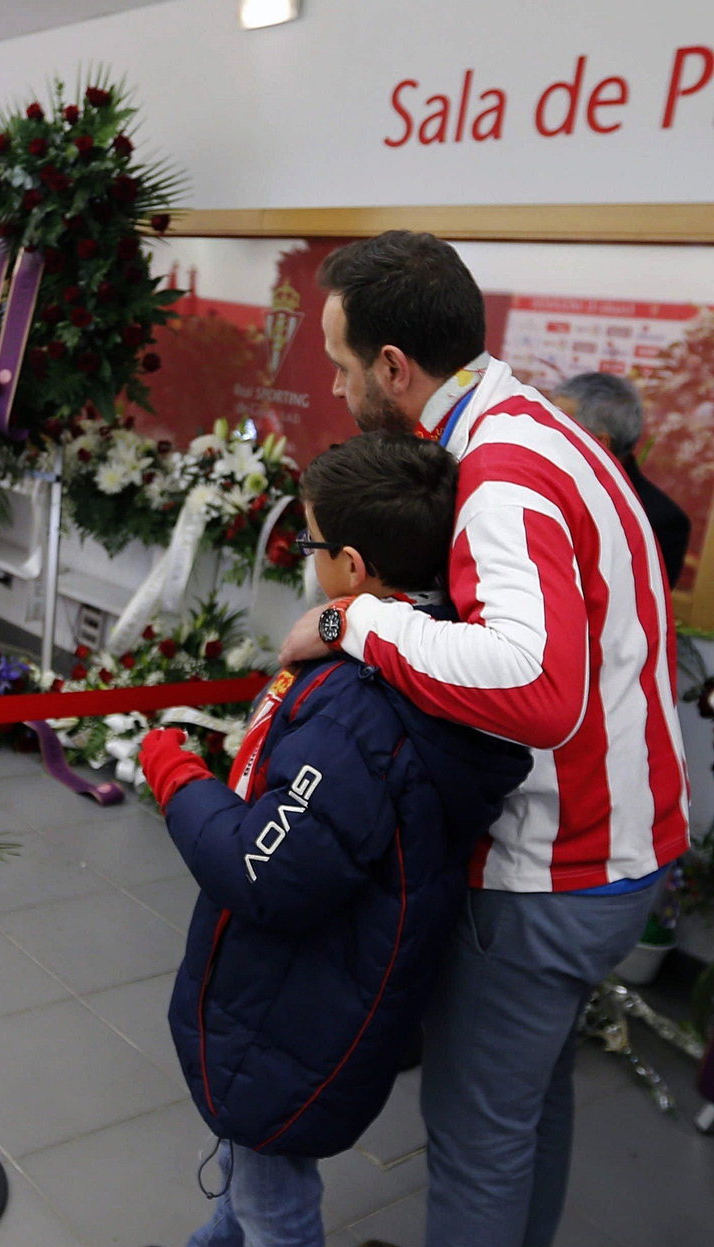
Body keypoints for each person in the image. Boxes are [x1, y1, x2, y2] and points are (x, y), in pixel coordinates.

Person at [279, 231, 690, 1247]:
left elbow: (536, 685)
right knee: (527, 1103)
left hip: (551, 868)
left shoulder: (498, 472)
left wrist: (350, 622)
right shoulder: (535, 422)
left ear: (391, 366)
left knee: (473, 1136)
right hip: (620, 851)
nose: (333, 388)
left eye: (339, 365)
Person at [143, 432, 531, 1247]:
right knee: (253, 1171)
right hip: (329, 984)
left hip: (298, 1000)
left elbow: (261, 870)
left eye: (312, 543)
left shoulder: (359, 706)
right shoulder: (442, 650)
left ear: (352, 566)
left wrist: (175, 776)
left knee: (274, 1203)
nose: (308, 557)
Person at [552, 371, 691, 586]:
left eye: (558, 427)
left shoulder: (659, 521)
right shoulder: (535, 485)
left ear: (597, 442)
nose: (544, 433)